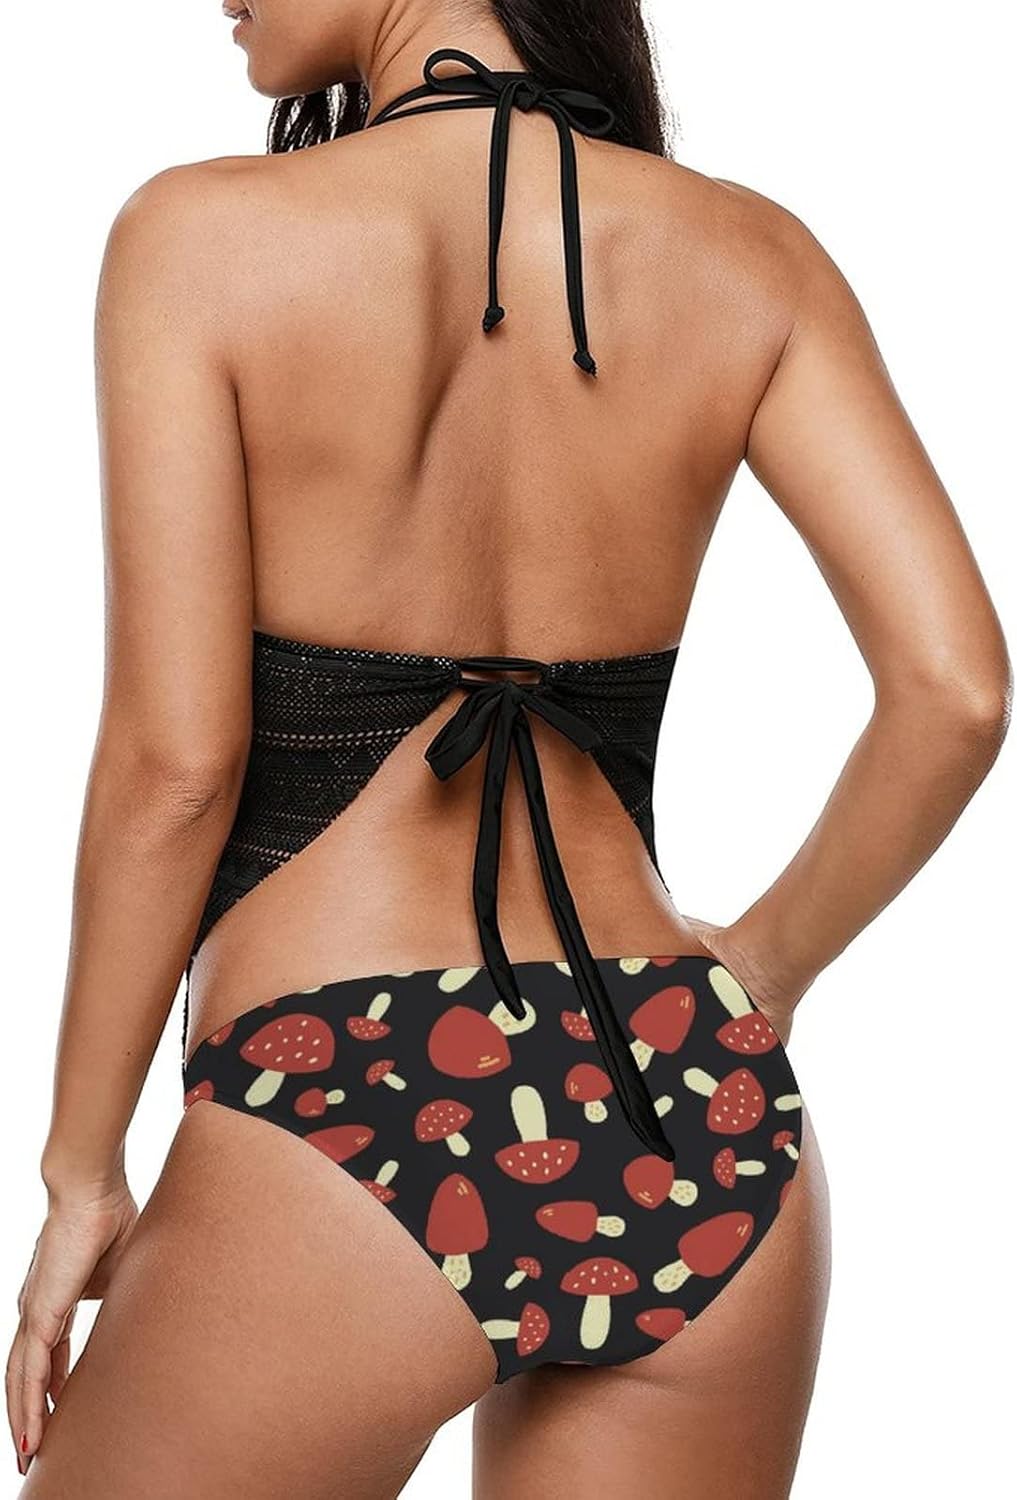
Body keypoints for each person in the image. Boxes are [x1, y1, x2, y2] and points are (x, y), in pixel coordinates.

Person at [6, 2, 1009, 1496]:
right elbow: (956, 690)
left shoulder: (202, 235)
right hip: (689, 1102)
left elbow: (178, 769)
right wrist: (761, 974)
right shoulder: (753, 256)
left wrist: (81, 1174)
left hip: (350, 1097)